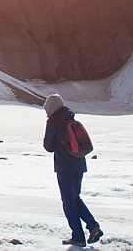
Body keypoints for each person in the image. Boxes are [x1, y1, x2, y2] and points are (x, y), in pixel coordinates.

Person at [43, 94, 103, 246]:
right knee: (75, 198)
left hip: (65, 166)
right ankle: (92, 226)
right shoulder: (71, 118)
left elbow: (48, 147)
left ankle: (78, 236)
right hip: (79, 164)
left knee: (69, 202)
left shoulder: (54, 121)